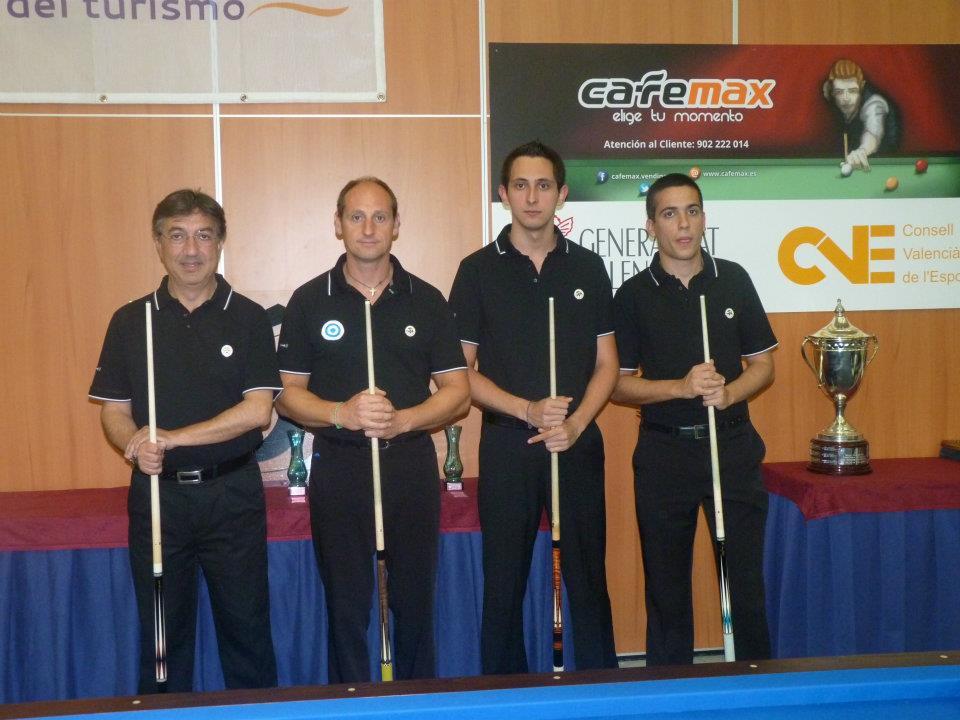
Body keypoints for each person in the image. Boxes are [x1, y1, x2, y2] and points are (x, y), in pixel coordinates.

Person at [275, 177, 469, 683]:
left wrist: (403, 419)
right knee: (345, 607)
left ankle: (419, 703)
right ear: (338, 225)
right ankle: (351, 705)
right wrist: (342, 413)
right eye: (356, 217)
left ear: (396, 225)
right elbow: (287, 394)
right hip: (340, 467)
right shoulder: (309, 301)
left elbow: (458, 392)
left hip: (409, 465)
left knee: (415, 604)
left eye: (380, 217)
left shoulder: (426, 299)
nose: (368, 228)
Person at [89, 189, 280, 693]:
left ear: (220, 243)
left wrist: (173, 438)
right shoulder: (130, 321)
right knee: (162, 642)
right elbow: (114, 412)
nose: (191, 249)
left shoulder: (249, 317)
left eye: (203, 236)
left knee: (247, 636)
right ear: (158, 244)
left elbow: (258, 411)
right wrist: (134, 444)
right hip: (158, 500)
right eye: (177, 236)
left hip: (232, 496)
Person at [448, 141, 619, 674]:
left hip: (577, 441)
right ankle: (505, 696)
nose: (531, 197)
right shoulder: (477, 270)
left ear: (561, 194)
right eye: (520, 186)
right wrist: (526, 409)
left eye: (543, 186)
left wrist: (576, 423)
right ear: (503, 194)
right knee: (504, 582)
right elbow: (459, 374)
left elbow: (608, 364)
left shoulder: (588, 267)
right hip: (508, 443)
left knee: (589, 578)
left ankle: (603, 694)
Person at [611, 173, 777, 666]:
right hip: (664, 453)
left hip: (732, 447)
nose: (683, 224)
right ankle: (671, 693)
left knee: (745, 588)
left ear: (704, 219)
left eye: (692, 211)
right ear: (651, 227)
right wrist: (679, 388)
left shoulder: (734, 279)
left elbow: (763, 366)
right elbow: (617, 385)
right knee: (666, 594)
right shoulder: (633, 295)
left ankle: (754, 685)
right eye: (669, 214)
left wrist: (729, 393)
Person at [822, 58, 900, 171]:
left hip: (884, 165)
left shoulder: (874, 104)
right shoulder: (830, 91)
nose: (846, 98)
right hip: (854, 160)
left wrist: (862, 151)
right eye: (839, 92)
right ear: (832, 91)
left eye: (852, 91)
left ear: (861, 86)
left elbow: (872, 133)